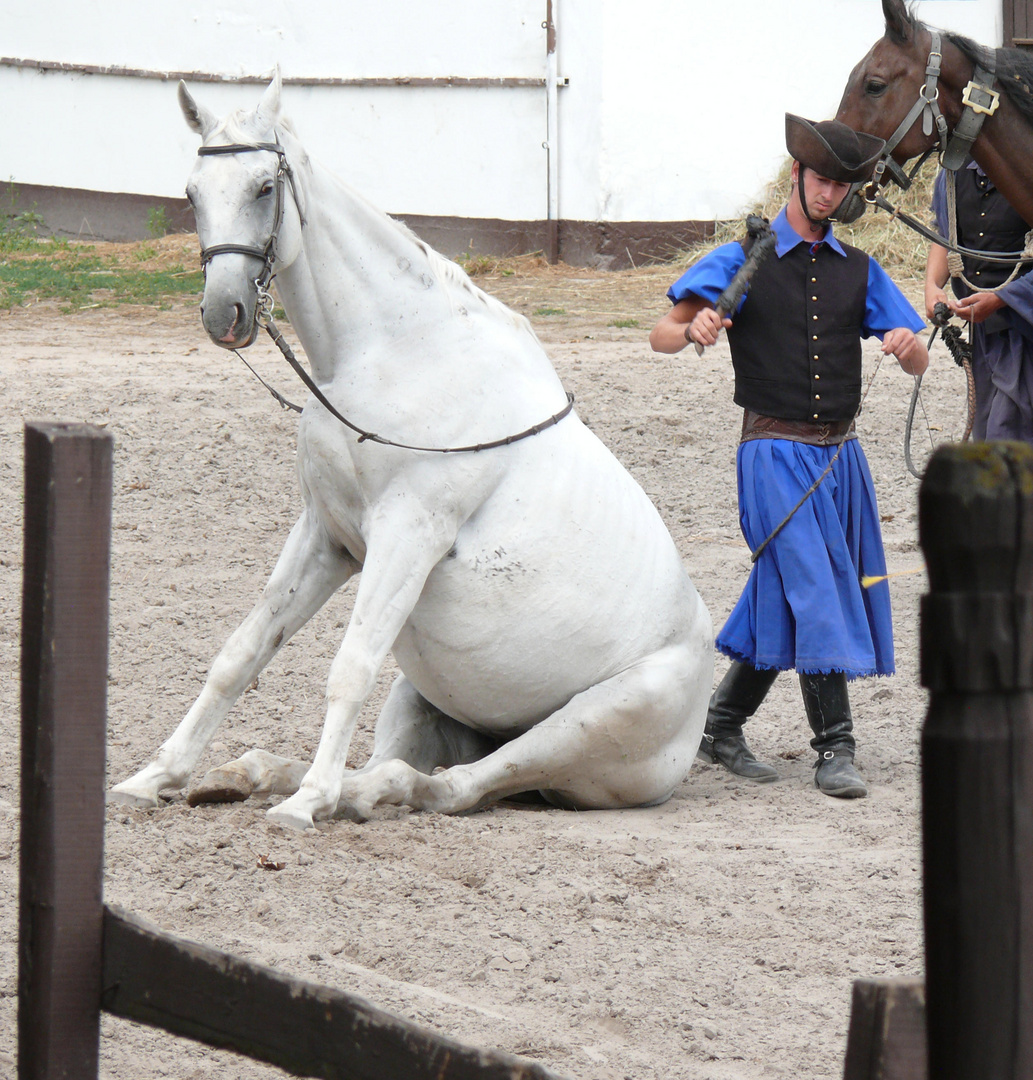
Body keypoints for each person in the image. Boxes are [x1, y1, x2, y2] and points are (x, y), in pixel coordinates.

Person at [650, 115, 928, 799]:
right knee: (816, 586)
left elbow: (919, 358)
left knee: (786, 589)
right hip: (771, 452)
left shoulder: (858, 269)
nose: (830, 193)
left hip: (840, 459)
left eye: (841, 183)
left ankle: (721, 723)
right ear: (796, 176)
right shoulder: (740, 259)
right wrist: (695, 330)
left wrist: (902, 342)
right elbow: (661, 332)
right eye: (822, 178)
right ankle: (835, 747)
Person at [924, 159, 1033, 443]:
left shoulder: (1024, 157)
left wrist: (1000, 299)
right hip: (983, 334)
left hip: (1026, 329)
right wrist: (932, 285)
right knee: (985, 433)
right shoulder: (953, 171)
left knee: (1008, 436)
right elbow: (945, 231)